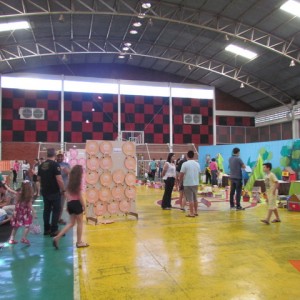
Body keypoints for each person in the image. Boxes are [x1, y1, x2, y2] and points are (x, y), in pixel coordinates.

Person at [53, 165, 89, 249]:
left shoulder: (70, 182)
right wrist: (84, 206)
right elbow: (79, 196)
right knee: (80, 223)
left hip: (70, 203)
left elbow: (67, 194)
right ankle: (79, 242)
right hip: (77, 204)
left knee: (71, 223)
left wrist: (68, 206)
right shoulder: (78, 183)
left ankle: (57, 237)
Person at [38, 148, 65, 237]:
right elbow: (59, 179)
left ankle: (46, 229)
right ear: (54, 155)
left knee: (46, 210)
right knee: (56, 210)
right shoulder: (55, 165)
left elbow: (38, 179)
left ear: (47, 154)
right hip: (54, 191)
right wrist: (63, 190)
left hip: (45, 191)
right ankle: (54, 229)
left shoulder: (41, 165)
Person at [8, 180, 36, 245]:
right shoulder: (28, 195)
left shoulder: (19, 193)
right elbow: (30, 205)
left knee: (16, 226)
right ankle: (24, 238)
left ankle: (11, 239)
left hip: (18, 211)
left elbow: (12, 192)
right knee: (27, 225)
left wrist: (6, 186)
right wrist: (34, 213)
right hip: (26, 212)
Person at [179, 150, 200, 217]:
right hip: (196, 183)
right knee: (195, 198)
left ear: (187, 156)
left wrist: (180, 182)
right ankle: (196, 212)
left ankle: (191, 213)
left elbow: (181, 174)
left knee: (190, 199)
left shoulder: (185, 164)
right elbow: (199, 173)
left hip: (187, 183)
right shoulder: (197, 164)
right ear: (193, 156)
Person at [56, 150, 71, 225]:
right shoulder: (54, 164)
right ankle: (55, 219)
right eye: (58, 156)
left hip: (64, 188)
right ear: (56, 156)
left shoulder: (66, 164)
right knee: (55, 205)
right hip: (55, 188)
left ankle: (58, 219)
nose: (60, 157)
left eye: (61, 156)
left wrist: (65, 169)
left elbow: (70, 173)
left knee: (61, 205)